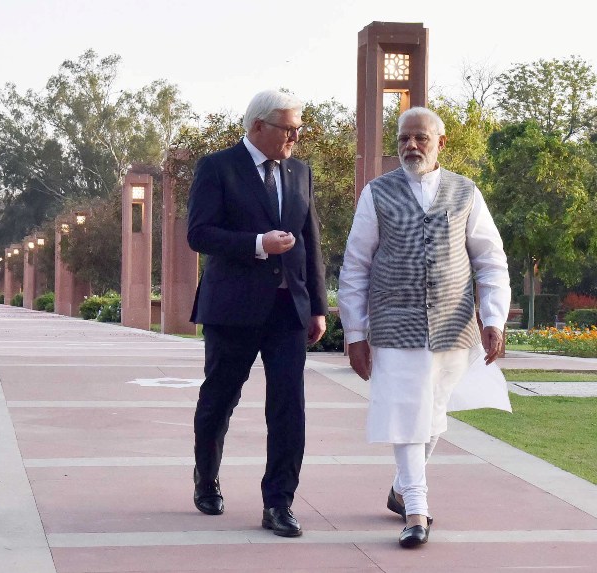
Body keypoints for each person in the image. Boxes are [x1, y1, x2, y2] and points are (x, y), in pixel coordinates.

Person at [338, 106, 511, 548]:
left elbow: (490, 260)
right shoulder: (376, 193)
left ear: (440, 143)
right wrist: (355, 333)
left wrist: (493, 318)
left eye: (420, 138)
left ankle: (400, 488)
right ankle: (417, 509)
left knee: (432, 413)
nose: (411, 146)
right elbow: (356, 265)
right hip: (395, 324)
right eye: (403, 139)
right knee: (407, 415)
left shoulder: (466, 192)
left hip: (453, 325)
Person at [187, 90, 328, 537]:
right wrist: (257, 245)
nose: (296, 136)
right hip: (232, 310)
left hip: (289, 310)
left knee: (289, 408)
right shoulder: (217, 167)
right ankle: (205, 478)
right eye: (288, 128)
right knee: (219, 401)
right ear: (258, 127)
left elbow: (310, 241)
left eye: (298, 128)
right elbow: (199, 233)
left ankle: (278, 503)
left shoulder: (299, 172)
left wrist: (318, 307)